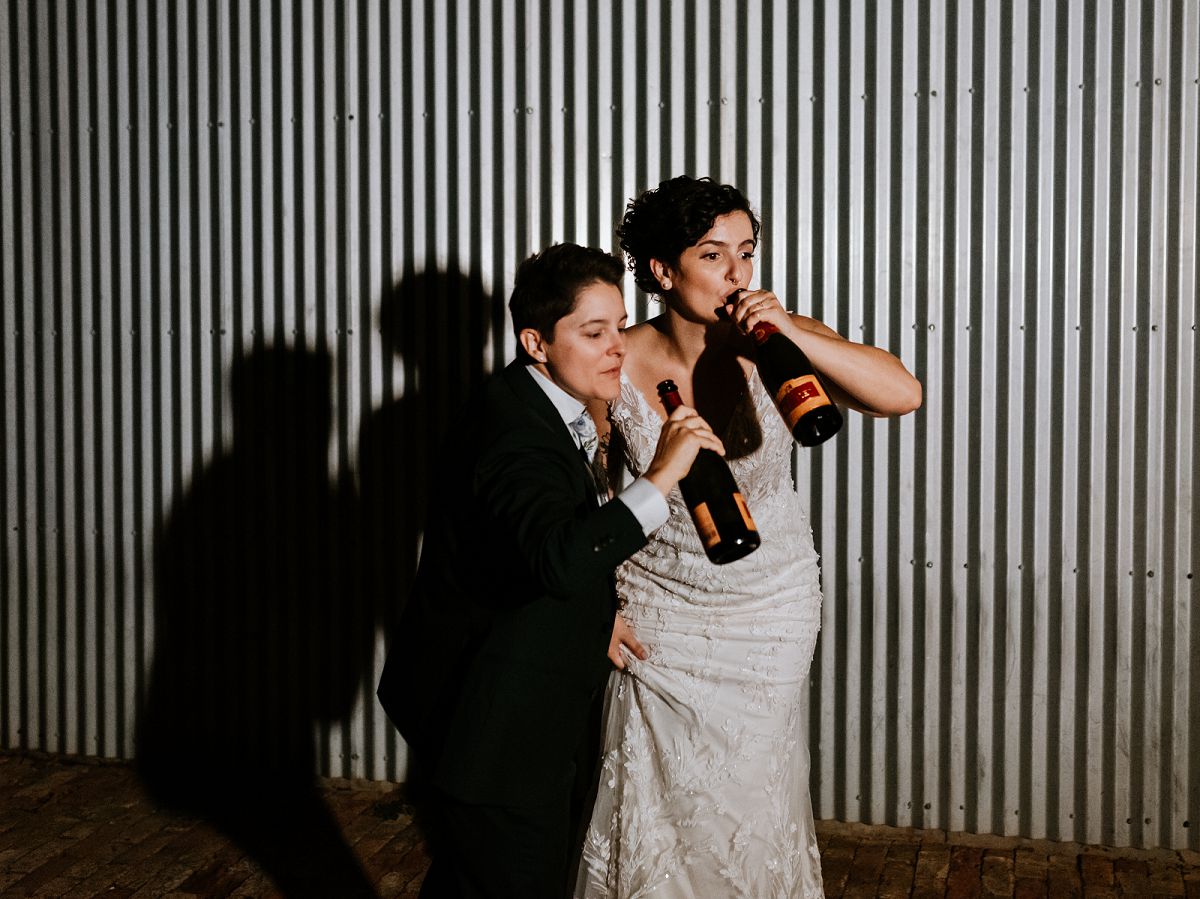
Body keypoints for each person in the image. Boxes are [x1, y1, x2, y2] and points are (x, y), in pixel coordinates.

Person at [575, 177, 922, 898]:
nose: (738, 274)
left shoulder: (775, 343)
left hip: (770, 606)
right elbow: (581, 499)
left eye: (748, 252)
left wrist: (791, 330)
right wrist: (592, 610)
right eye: (713, 255)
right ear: (665, 272)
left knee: (750, 798)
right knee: (656, 801)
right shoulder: (619, 361)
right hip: (658, 611)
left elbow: (902, 393)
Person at [376, 242, 725, 898]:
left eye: (619, 326)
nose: (616, 347)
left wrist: (599, 613)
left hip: (513, 697)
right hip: (495, 726)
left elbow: (525, 549)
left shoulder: (535, 401)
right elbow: (560, 556)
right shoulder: (513, 432)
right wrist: (662, 474)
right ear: (535, 341)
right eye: (593, 332)